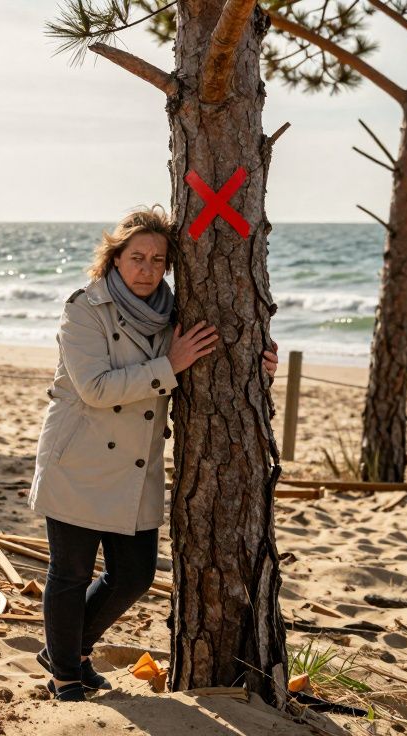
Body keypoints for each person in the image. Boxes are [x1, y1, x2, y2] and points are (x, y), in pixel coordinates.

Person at [28, 206, 278, 701]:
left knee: (134, 576)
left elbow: (208, 373)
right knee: (70, 574)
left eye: (157, 259)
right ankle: (65, 675)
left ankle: (66, 650)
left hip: (134, 468)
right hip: (78, 460)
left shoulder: (172, 316)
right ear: (114, 259)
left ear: (168, 266)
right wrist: (171, 363)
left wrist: (260, 367)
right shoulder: (84, 309)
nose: (146, 268)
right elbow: (96, 388)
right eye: (135, 257)